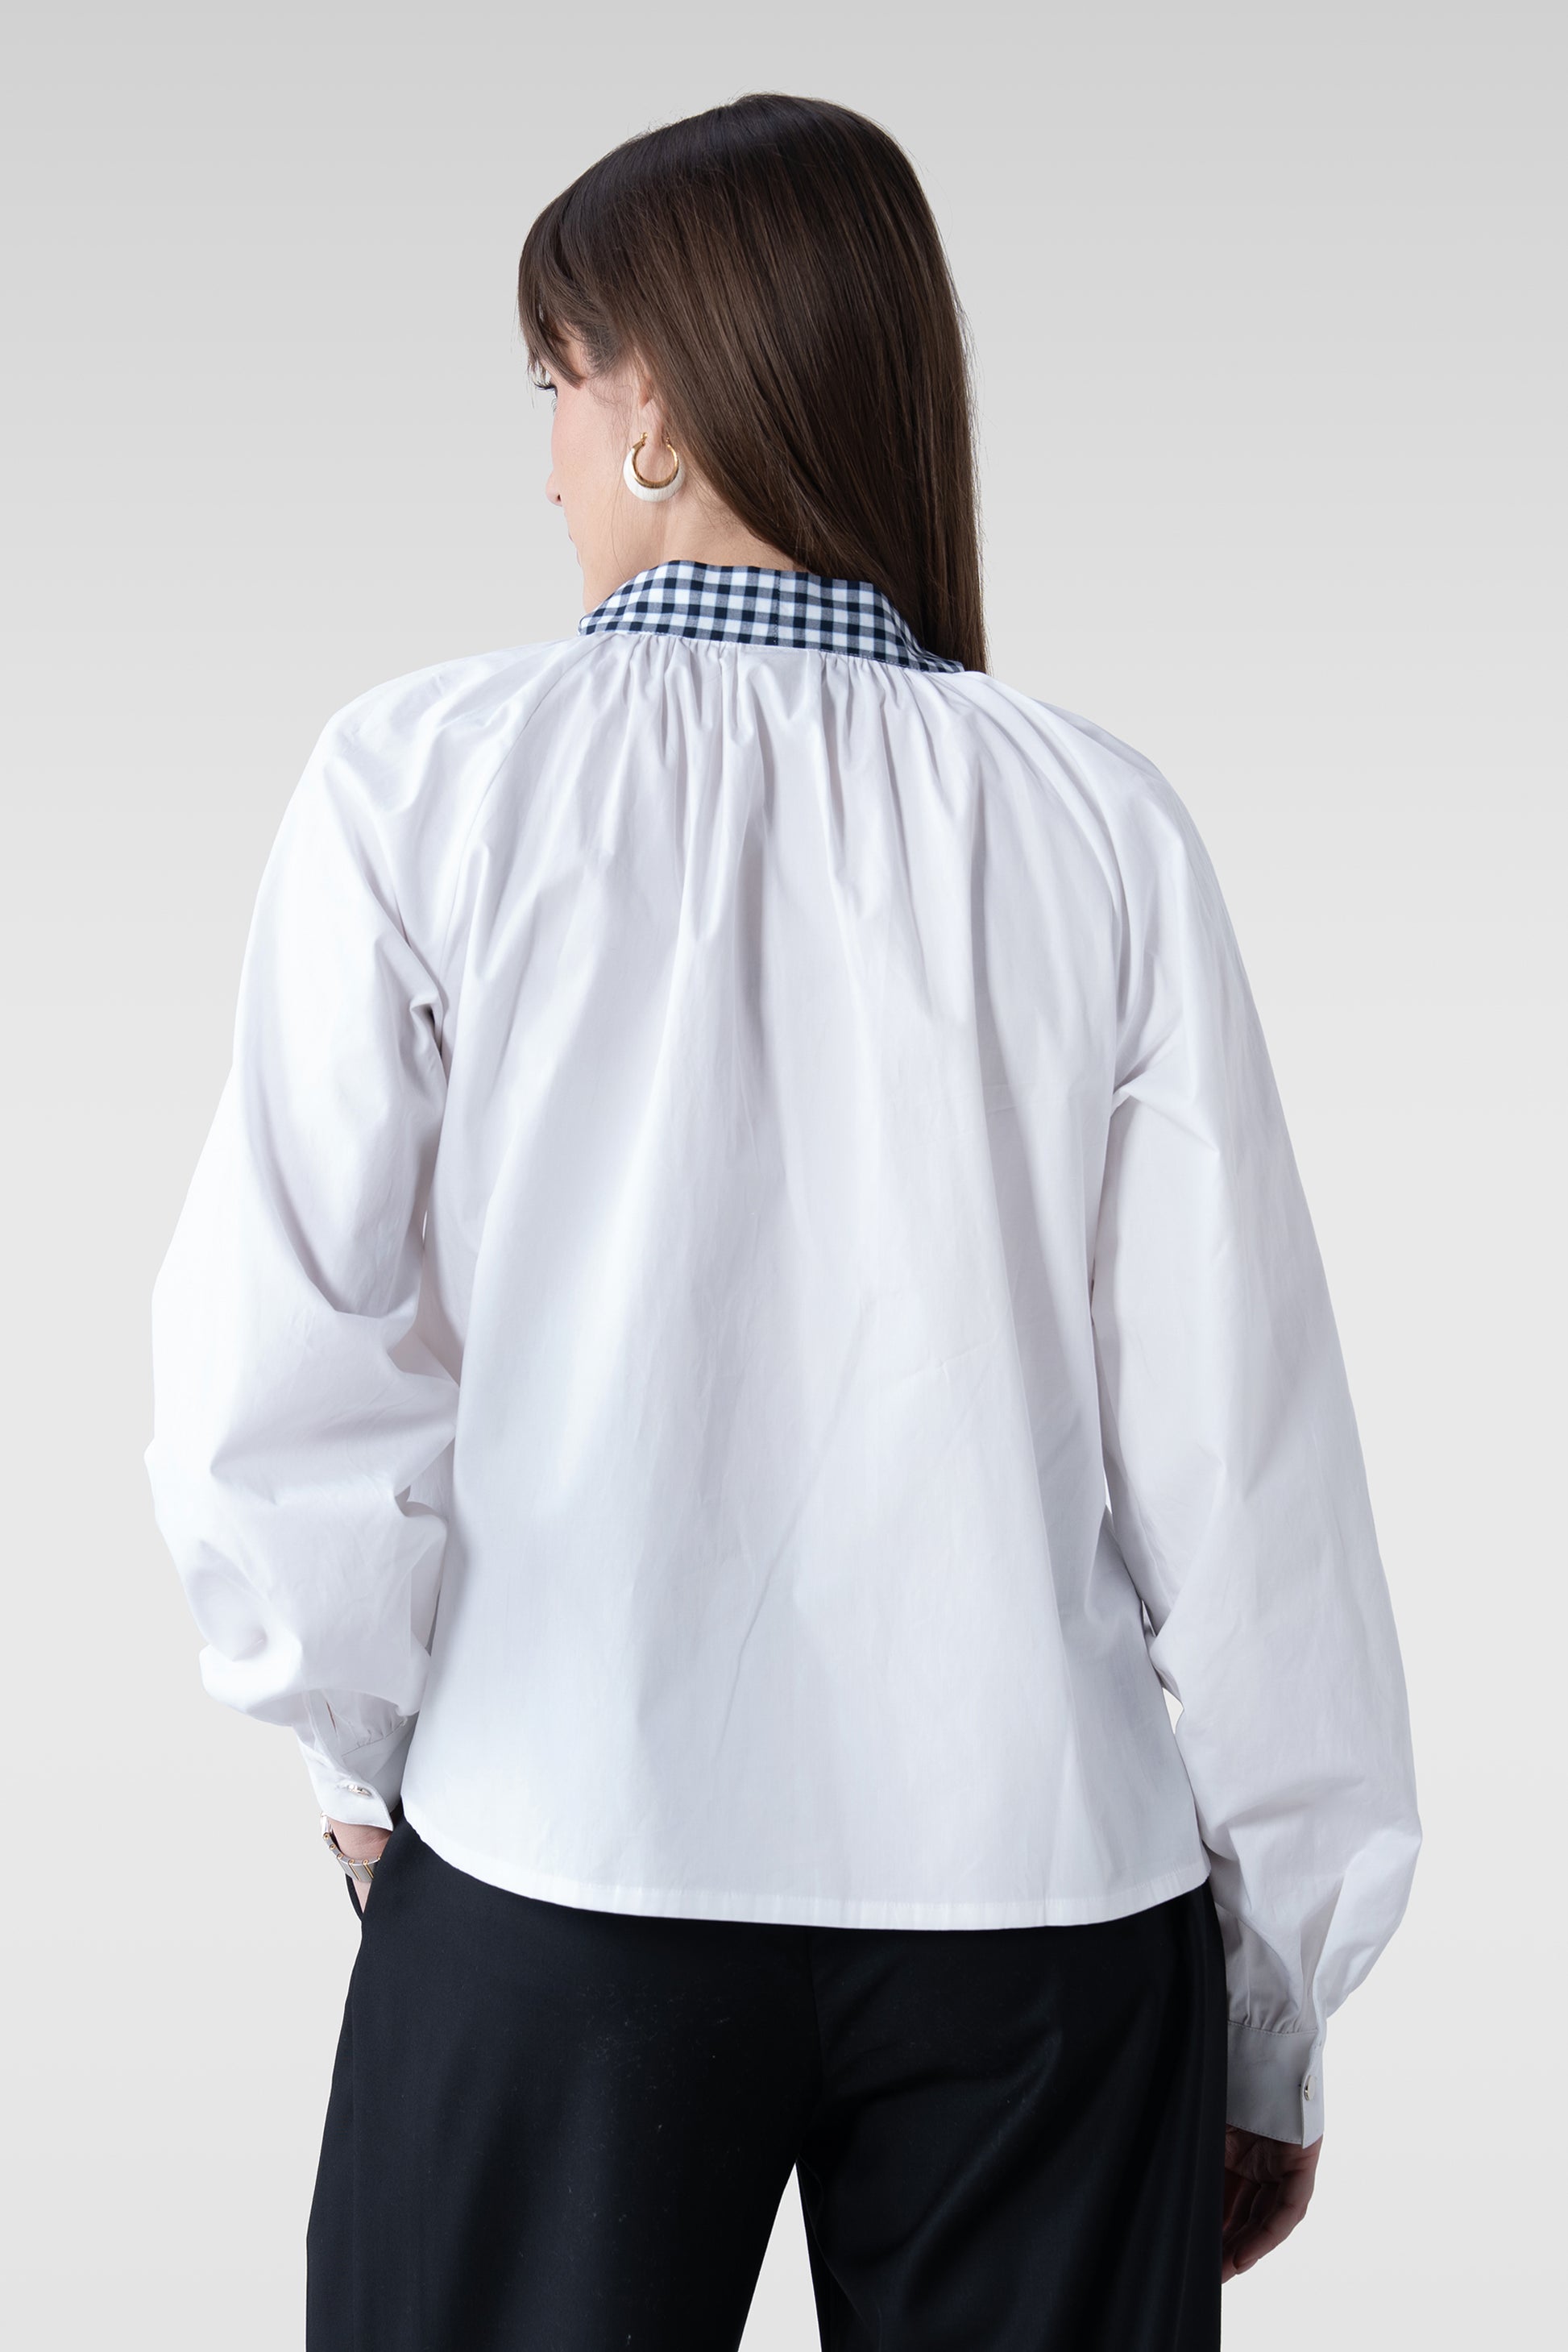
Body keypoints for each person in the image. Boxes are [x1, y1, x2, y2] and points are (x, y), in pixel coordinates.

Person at [144, 91, 1421, 2352]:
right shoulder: (1100, 829)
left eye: (553, 382)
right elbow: (1249, 1472)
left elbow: (284, 1368)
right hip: (1041, 1914)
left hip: (558, 1856)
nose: (544, 459)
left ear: (654, 402)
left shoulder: (418, 783)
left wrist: (359, 1753)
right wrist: (1274, 1998)